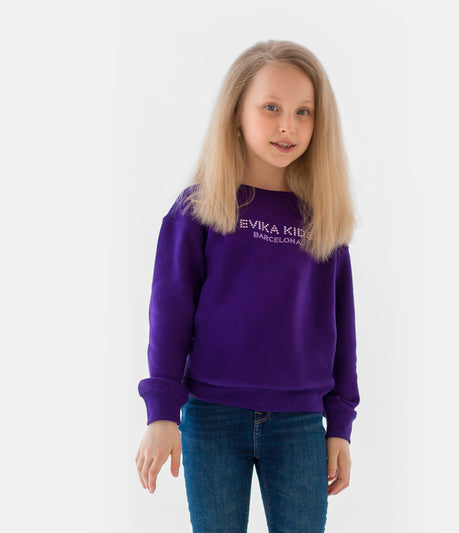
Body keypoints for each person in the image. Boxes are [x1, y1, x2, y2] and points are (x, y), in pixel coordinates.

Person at [135, 39, 361, 533]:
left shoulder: (322, 220)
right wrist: (162, 413)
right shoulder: (198, 210)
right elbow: (169, 314)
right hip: (211, 418)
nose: (288, 125)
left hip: (300, 424)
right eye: (271, 108)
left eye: (304, 112)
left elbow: (341, 328)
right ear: (237, 113)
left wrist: (340, 426)